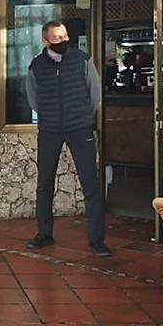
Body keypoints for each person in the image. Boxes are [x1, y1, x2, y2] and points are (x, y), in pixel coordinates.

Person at [25, 21, 110, 256]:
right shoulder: (36, 66)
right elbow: (33, 98)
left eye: (64, 36)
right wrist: (49, 116)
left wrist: (83, 116)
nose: (63, 41)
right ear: (45, 41)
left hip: (80, 128)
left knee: (90, 184)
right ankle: (44, 234)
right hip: (50, 129)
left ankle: (96, 240)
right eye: (57, 38)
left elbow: (95, 95)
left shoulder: (82, 60)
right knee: (44, 184)